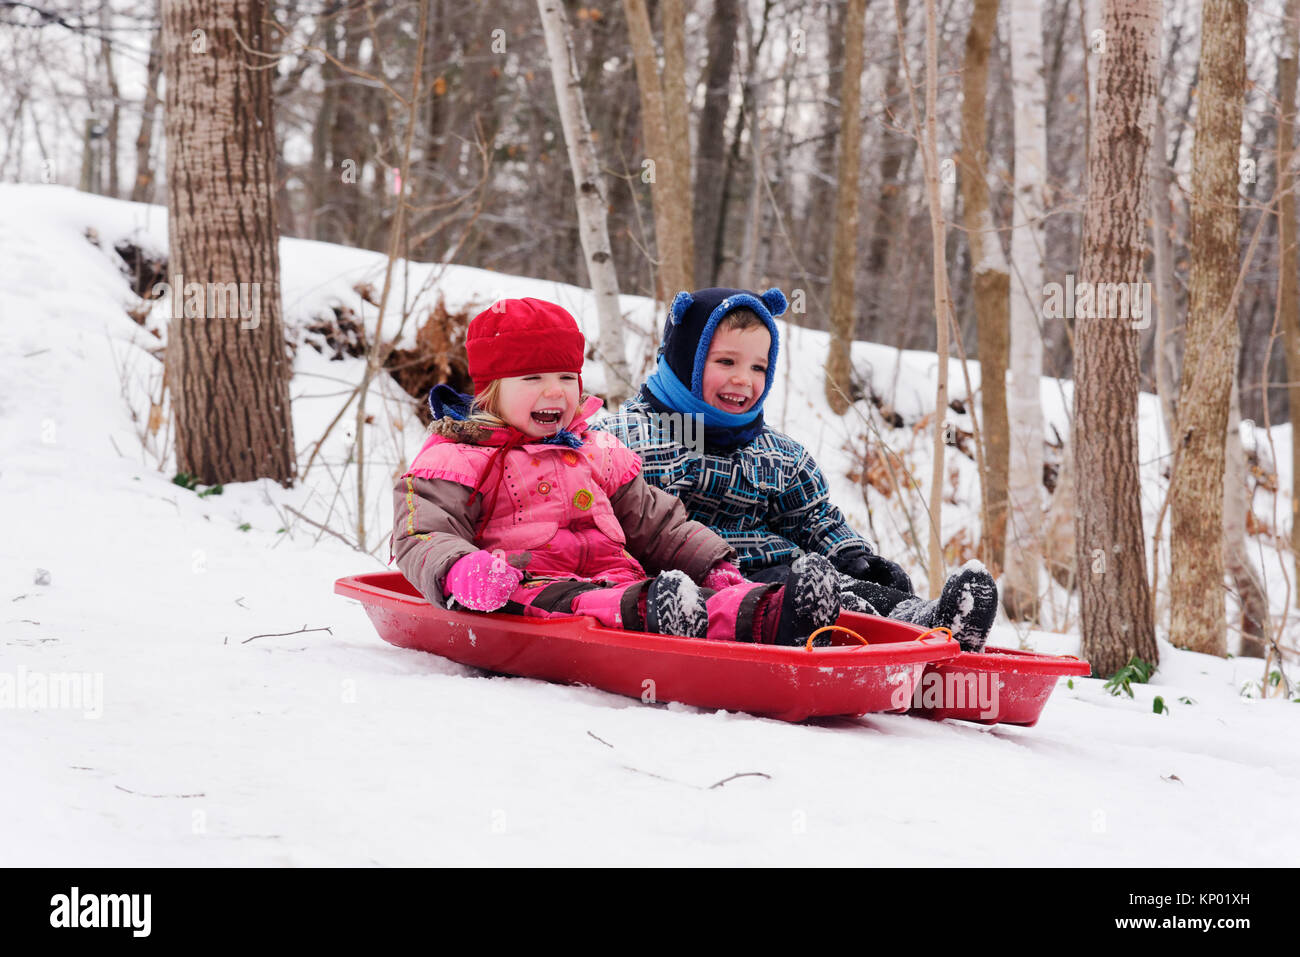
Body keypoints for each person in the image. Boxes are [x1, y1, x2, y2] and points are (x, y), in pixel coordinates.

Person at [390, 297, 842, 647]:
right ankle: (676, 617)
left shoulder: (596, 450)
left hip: (623, 583)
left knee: (670, 597)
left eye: (567, 378)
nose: (555, 392)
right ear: (490, 392)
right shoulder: (461, 455)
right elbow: (422, 534)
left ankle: (773, 615)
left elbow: (657, 524)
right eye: (532, 379)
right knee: (626, 603)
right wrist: (462, 570)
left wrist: (714, 564)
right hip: (526, 592)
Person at [593, 286, 999, 652]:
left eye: (757, 368)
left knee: (841, 587)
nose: (743, 379)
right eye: (726, 361)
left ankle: (934, 625)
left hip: (797, 576)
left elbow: (814, 518)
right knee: (818, 598)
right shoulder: (626, 440)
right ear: (686, 361)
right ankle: (864, 632)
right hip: (701, 587)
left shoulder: (776, 453)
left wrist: (857, 559)